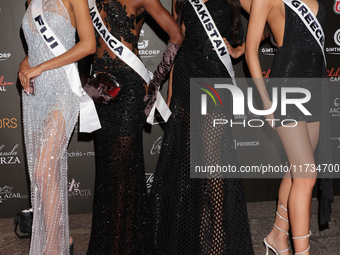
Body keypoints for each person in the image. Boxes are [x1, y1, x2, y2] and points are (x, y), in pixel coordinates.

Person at [149, 0, 254, 254]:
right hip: (186, 76)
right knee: (190, 160)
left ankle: (218, 231)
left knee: (211, 161)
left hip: (215, 79)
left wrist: (243, 49)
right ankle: (194, 230)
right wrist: (172, 87)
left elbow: (266, 13)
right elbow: (180, 38)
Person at [85, 0, 183, 254]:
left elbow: (176, 35)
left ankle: (127, 246)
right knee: (107, 170)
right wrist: (85, 82)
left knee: (125, 171)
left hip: (129, 89)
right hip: (100, 88)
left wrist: (156, 81)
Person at [245, 0, 332, 254]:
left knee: (297, 171)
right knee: (306, 176)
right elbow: (251, 50)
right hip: (286, 88)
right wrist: (266, 102)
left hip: (315, 86)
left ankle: (277, 236)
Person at [19, 0, 96, 254]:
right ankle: (63, 242)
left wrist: (40, 67)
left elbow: (88, 44)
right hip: (36, 93)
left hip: (63, 88)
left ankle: (54, 248)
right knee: (45, 174)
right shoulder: (32, 1)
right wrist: (24, 66)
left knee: (43, 169)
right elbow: (35, 49)